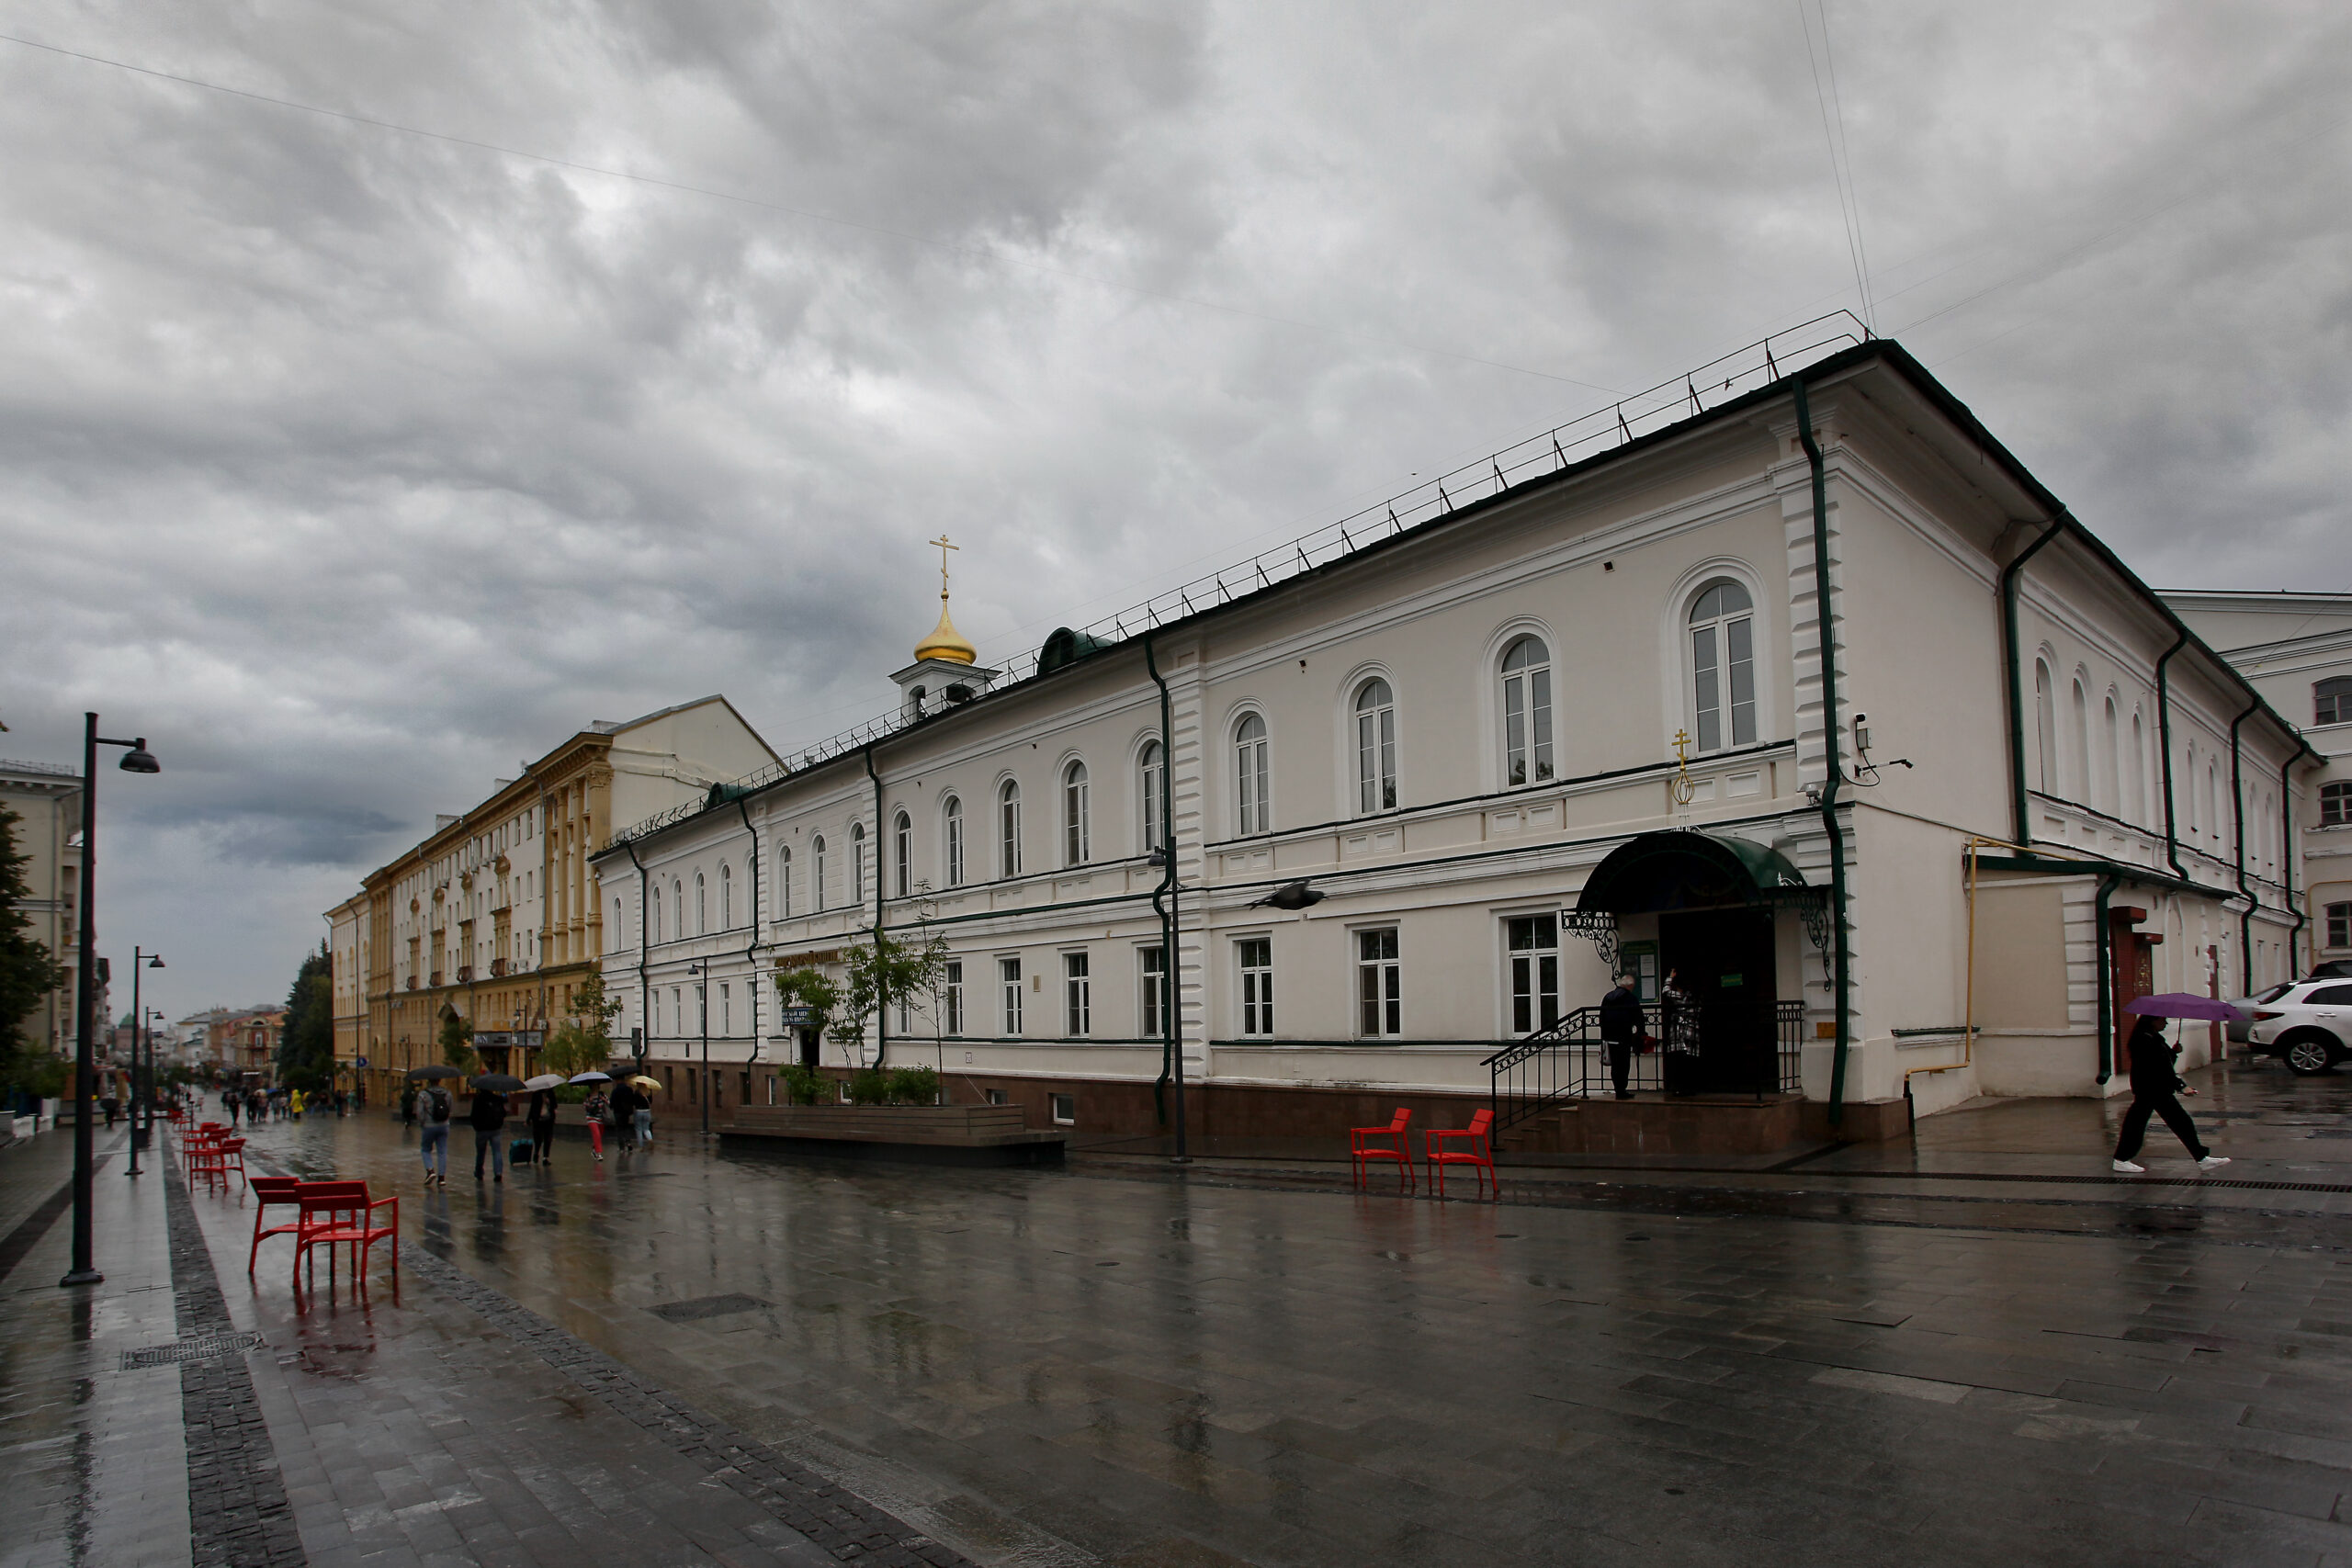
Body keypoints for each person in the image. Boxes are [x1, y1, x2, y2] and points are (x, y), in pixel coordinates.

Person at [2113, 1015, 2230, 1173]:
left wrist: (2173, 1053)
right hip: (2151, 1089)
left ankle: (2201, 1158)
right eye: (2163, 1020)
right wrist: (2181, 1086)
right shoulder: (2143, 1040)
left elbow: (2165, 1063)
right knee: (2144, 1124)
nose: (2166, 1023)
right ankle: (2121, 1159)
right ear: (2152, 1021)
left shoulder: (2155, 1038)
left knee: (2171, 1123)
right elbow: (2159, 1069)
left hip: (2156, 1089)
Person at [1598, 974, 1644, 1100]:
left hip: (1610, 1036)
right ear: (1630, 986)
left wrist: (1604, 1035)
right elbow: (1638, 1016)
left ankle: (1617, 1089)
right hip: (1623, 1036)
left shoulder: (1608, 997)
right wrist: (1640, 1033)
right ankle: (1622, 1090)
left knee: (1615, 1065)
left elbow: (1601, 1017)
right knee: (1623, 1064)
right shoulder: (1630, 998)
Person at [469, 1082, 509, 1181]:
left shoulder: (478, 1099)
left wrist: (476, 1127)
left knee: (481, 1152)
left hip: (481, 1130)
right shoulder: (497, 1098)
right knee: (497, 1151)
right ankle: (498, 1172)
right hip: (495, 1129)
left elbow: (473, 1115)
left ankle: (479, 1172)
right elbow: (504, 1113)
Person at [419, 1078, 452, 1185]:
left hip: (429, 1126)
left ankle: (430, 1170)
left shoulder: (423, 1094)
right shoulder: (447, 1093)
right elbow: (450, 1109)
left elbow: (420, 1113)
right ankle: (441, 1178)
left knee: (425, 1149)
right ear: (439, 1081)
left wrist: (422, 1123)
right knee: (442, 1151)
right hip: (444, 1125)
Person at [526, 1088, 557, 1168]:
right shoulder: (536, 1094)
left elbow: (555, 1105)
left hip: (548, 1120)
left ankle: (545, 1158)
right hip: (538, 1120)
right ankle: (536, 1153)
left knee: (548, 1139)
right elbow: (532, 1107)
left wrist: (549, 1102)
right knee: (538, 1139)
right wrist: (528, 1120)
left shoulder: (551, 1093)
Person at [582, 1083, 612, 1162]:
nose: (595, 1087)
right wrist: (589, 1102)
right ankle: (599, 1154)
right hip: (591, 1118)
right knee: (597, 1134)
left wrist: (604, 1100)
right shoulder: (588, 1096)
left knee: (599, 1136)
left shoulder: (602, 1095)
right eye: (593, 1085)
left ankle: (594, 1150)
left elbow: (610, 1104)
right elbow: (585, 1106)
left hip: (601, 1118)